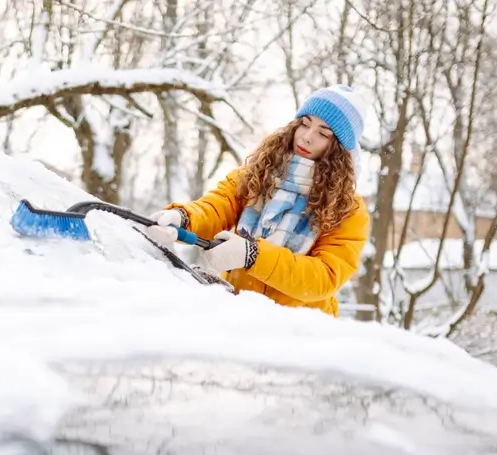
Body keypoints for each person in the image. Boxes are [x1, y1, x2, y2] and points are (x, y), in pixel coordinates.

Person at [147, 85, 371, 318]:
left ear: (340, 148)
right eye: (305, 123)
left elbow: (324, 278)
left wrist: (253, 255)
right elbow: (217, 206)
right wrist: (182, 218)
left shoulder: (348, 208)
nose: (307, 136)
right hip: (238, 316)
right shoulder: (258, 173)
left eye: (323, 133)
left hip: (302, 331)